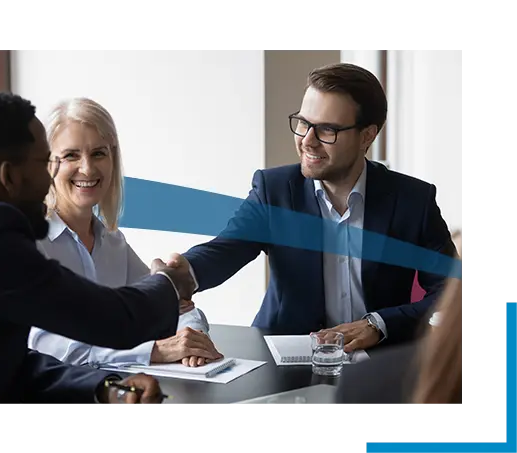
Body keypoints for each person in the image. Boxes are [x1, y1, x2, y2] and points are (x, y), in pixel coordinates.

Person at [0, 91, 196, 407]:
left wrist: (107, 389)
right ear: (9, 176)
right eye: (46, 162)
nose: (50, 178)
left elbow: (5, 362)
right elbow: (111, 320)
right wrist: (170, 281)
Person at [159, 63, 458, 352]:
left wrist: (378, 324)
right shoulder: (274, 190)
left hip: (379, 361)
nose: (307, 141)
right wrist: (185, 273)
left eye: (327, 129)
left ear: (367, 135)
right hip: (285, 357)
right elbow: (225, 250)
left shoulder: (412, 199)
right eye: (303, 124)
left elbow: (451, 289)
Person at [28, 97, 223, 368]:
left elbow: (174, 305)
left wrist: (192, 337)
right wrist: (153, 351)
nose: (87, 168)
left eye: (99, 153)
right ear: (48, 164)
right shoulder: (30, 243)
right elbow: (56, 348)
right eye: (71, 155)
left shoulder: (113, 242)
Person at [335, 275, 463, 407]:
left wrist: (379, 323)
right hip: (318, 351)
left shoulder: (363, 384)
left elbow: (445, 290)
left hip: (385, 356)